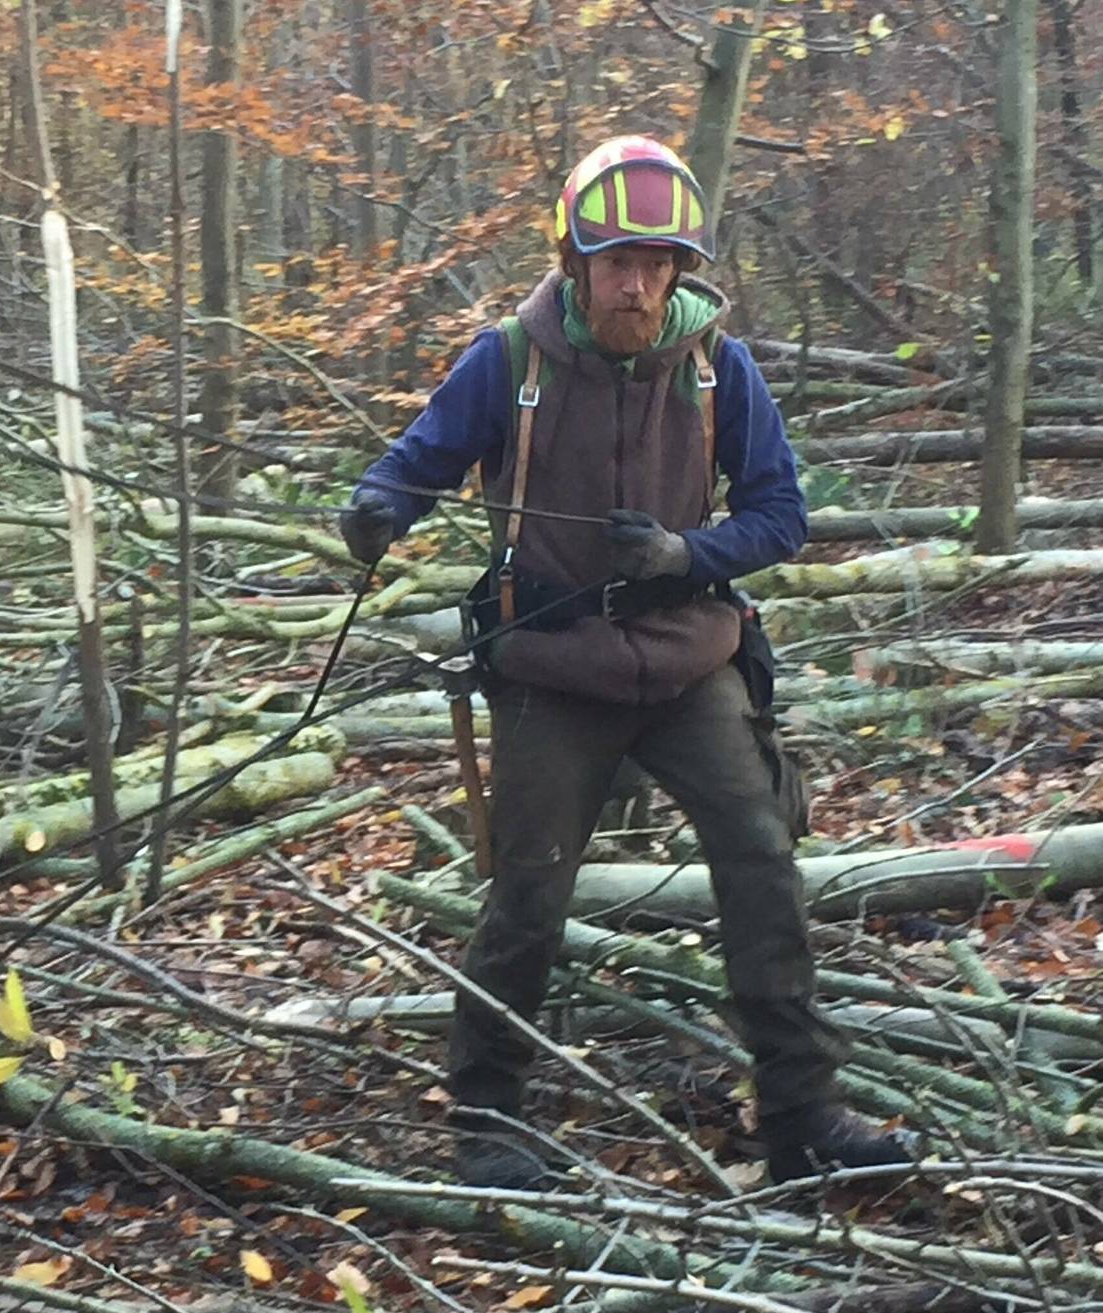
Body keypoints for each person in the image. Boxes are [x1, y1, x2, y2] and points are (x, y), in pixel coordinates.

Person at [338, 136, 918, 1187]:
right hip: (553, 667)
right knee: (529, 890)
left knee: (758, 856)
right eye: (618, 263)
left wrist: (687, 555)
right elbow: (412, 464)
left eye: (658, 264)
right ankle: (486, 1119)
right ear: (574, 264)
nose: (638, 284)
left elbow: (783, 513)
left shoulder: (715, 365)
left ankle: (801, 1116)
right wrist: (378, 509)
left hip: (690, 659)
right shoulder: (507, 360)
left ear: (682, 271)